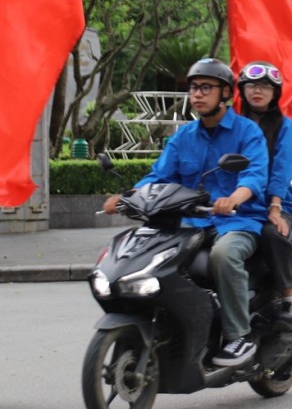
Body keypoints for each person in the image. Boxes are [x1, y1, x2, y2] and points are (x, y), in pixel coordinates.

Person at [102, 58, 270, 367]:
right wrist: (127, 196)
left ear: (225, 94)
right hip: (189, 223)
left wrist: (234, 197)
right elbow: (159, 176)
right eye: (193, 88)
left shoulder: (247, 132)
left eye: (206, 88)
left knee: (223, 256)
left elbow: (255, 176)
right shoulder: (184, 137)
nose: (197, 94)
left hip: (237, 221)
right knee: (152, 259)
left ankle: (239, 336)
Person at [238, 61, 292, 332]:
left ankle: (288, 296)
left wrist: (275, 206)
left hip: (273, 200)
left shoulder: (284, 126)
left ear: (275, 93)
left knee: (273, 234)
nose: (257, 91)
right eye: (252, 85)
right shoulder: (232, 123)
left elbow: (282, 168)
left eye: (265, 86)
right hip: (235, 199)